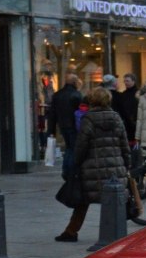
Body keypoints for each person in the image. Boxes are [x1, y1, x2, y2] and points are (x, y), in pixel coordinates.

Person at [55, 87, 130, 242]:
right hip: (115, 166)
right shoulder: (116, 118)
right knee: (115, 201)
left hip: (92, 168)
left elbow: (81, 145)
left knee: (83, 201)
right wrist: (127, 164)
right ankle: (116, 232)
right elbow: (124, 144)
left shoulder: (88, 119)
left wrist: (76, 163)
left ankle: (71, 231)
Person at [50, 72, 82, 179]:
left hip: (63, 125)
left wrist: (51, 130)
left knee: (69, 147)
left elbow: (53, 114)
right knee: (72, 148)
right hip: (74, 126)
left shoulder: (57, 95)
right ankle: (70, 170)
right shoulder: (76, 95)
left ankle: (66, 170)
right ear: (74, 82)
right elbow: (80, 113)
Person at [112, 73, 139, 142]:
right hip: (126, 122)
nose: (126, 83)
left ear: (133, 81)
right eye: (125, 81)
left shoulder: (138, 93)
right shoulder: (123, 94)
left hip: (134, 121)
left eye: (127, 81)